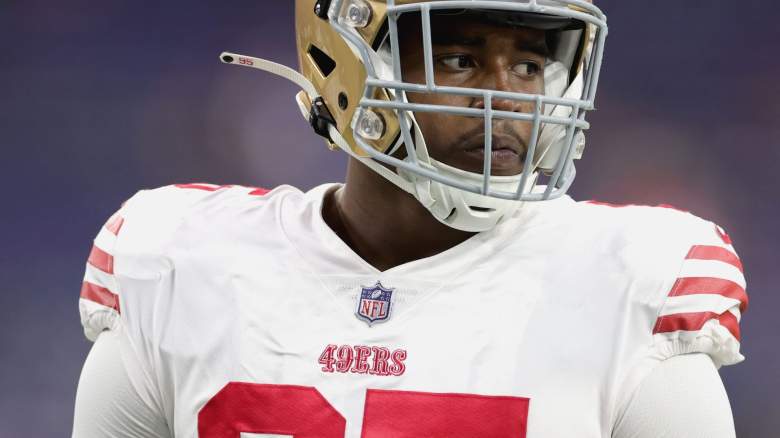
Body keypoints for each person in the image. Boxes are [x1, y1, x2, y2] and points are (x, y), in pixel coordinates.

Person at [72, 1, 747, 437]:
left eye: (529, 63)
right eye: (460, 60)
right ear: (344, 65)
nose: (507, 97)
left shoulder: (629, 283)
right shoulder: (179, 263)